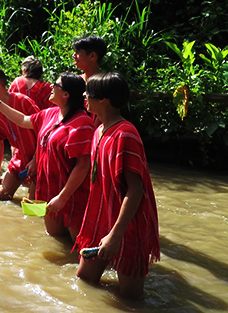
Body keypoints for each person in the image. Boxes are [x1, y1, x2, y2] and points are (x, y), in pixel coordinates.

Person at [75, 72, 160, 300]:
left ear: (103, 99)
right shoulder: (98, 131)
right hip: (101, 216)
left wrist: (116, 235)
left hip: (126, 225)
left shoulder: (126, 135)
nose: (83, 96)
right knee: (84, 281)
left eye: (88, 93)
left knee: (130, 299)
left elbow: (136, 189)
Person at [0, 72, 94, 241]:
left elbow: (83, 166)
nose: (51, 87)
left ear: (66, 94)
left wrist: (63, 197)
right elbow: (23, 120)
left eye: (56, 85)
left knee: (78, 245)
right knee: (55, 238)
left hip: (72, 194)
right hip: (49, 189)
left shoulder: (82, 123)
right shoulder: (50, 113)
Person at [0, 67, 39, 200]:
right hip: (20, 157)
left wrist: (35, 159)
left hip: (39, 156)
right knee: (2, 196)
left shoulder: (22, 101)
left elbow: (44, 132)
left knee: (31, 203)